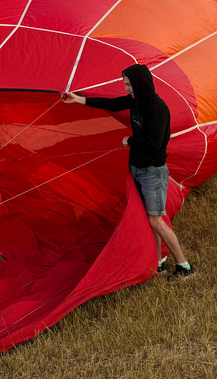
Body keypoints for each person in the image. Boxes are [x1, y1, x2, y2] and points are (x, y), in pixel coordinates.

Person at [63, 63, 194, 278]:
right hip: (137, 168)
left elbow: (155, 142)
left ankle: (184, 266)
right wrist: (79, 99)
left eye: (128, 85)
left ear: (139, 84)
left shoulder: (157, 108)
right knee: (148, 218)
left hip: (152, 171)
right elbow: (111, 104)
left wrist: (130, 140)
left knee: (155, 220)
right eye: (125, 85)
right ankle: (159, 260)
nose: (126, 89)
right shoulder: (136, 101)